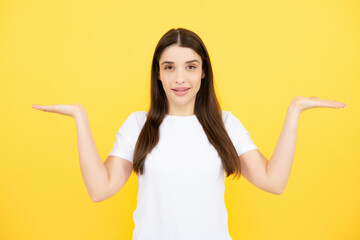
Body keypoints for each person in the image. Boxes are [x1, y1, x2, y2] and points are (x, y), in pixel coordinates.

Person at [31, 27, 347, 240]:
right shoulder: (138, 125)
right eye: (169, 67)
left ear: (203, 71)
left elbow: (273, 182)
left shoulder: (224, 124)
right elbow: (100, 190)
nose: (180, 78)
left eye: (190, 66)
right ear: (158, 73)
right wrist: (80, 118)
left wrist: (294, 112)